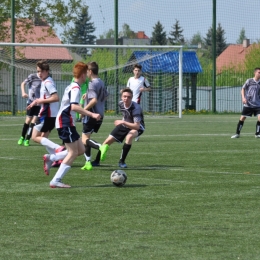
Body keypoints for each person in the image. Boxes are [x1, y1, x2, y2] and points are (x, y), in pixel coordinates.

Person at [43, 62, 101, 188]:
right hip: (65, 122)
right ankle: (56, 180)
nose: (86, 77)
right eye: (85, 74)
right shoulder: (75, 88)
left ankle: (51, 157)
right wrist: (91, 114)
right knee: (73, 153)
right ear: (82, 75)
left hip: (67, 122)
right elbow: (74, 106)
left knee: (81, 150)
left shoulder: (72, 86)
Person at [27, 60, 66, 175]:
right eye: (38, 71)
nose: (39, 74)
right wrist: (35, 102)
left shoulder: (48, 82)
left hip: (46, 114)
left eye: (41, 71)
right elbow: (46, 98)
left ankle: (59, 149)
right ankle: (58, 158)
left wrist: (40, 101)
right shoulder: (46, 81)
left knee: (35, 137)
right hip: (51, 115)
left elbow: (55, 97)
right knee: (44, 138)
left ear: (47, 71)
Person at [98, 87, 145, 168]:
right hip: (125, 124)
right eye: (124, 96)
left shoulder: (136, 108)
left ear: (132, 98)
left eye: (129, 97)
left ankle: (122, 161)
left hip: (137, 127)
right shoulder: (120, 103)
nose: (126, 98)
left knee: (129, 136)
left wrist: (123, 122)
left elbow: (137, 126)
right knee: (107, 141)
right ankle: (96, 161)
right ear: (121, 97)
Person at [81, 61, 109, 171]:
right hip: (100, 114)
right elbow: (105, 96)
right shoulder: (100, 82)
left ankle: (100, 147)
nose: (86, 73)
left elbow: (94, 100)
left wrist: (84, 110)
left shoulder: (92, 83)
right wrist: (87, 95)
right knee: (86, 138)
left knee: (84, 139)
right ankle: (88, 162)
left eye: (86, 71)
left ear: (90, 71)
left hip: (92, 115)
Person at [231, 67, 260, 138]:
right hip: (248, 104)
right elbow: (243, 89)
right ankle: (237, 133)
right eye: (259, 72)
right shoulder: (249, 81)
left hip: (258, 104)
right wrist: (243, 98)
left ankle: (257, 133)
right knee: (242, 118)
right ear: (255, 73)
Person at [126, 63, 151, 141]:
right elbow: (127, 89)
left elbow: (149, 88)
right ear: (133, 71)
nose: (137, 72)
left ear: (141, 71)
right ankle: (134, 133)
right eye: (136, 70)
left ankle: (136, 133)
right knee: (130, 119)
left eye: (139, 70)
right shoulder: (130, 79)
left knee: (135, 119)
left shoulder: (143, 79)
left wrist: (144, 89)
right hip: (129, 102)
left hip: (136, 103)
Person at [17, 72, 41, 146]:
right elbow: (23, 84)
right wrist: (23, 92)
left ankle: (27, 139)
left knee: (34, 122)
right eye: (39, 71)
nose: (40, 73)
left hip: (39, 103)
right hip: (30, 102)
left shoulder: (46, 79)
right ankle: (22, 137)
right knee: (28, 121)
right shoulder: (32, 76)